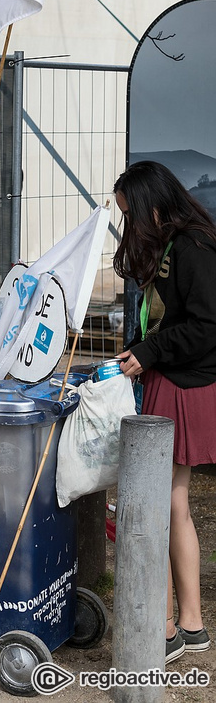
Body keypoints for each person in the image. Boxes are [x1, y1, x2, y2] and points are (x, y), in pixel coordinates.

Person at [113, 160, 215, 665]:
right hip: (170, 377)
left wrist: (150, 353)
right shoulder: (177, 244)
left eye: (130, 215)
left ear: (154, 207)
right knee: (173, 505)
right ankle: (187, 623)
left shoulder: (195, 248)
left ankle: (170, 627)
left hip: (182, 385)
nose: (128, 225)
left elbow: (206, 327)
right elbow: (171, 320)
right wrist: (140, 349)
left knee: (164, 506)